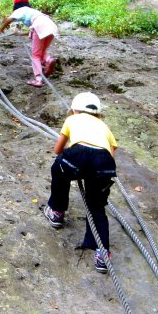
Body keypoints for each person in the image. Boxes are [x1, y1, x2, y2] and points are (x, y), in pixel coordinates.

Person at [43, 92, 118, 273]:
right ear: (99, 114)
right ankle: (102, 253)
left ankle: (57, 211)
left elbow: (58, 149)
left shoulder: (71, 120)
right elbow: (112, 150)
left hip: (78, 155)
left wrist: (77, 160)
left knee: (58, 170)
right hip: (104, 162)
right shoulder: (105, 127)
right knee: (97, 206)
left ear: (74, 110)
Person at [0, 0, 57, 87]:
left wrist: (0, 29)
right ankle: (49, 59)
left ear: (16, 5)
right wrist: (19, 34)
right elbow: (34, 30)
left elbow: (9, 19)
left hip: (39, 26)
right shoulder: (34, 12)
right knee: (41, 51)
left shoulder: (22, 9)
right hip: (51, 26)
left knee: (35, 55)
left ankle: (38, 79)